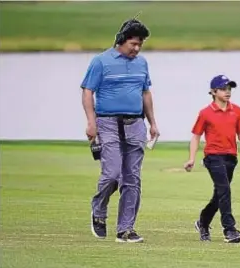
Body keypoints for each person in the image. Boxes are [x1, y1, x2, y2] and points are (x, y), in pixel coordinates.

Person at [80, 17, 160, 243]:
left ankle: (125, 229)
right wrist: (91, 122)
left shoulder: (142, 63)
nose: (137, 49)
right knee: (112, 173)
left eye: (140, 45)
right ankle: (99, 208)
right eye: (133, 44)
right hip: (107, 123)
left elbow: (146, 93)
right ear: (121, 41)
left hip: (135, 124)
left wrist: (153, 123)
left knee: (132, 178)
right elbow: (87, 92)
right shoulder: (101, 61)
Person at [184, 75, 240, 243]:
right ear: (213, 92)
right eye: (223, 89)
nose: (227, 92)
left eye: (229, 89)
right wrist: (191, 159)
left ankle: (203, 222)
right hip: (213, 157)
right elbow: (196, 136)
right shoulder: (205, 113)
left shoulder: (237, 110)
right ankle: (229, 230)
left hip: (231, 157)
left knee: (220, 194)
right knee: (224, 190)